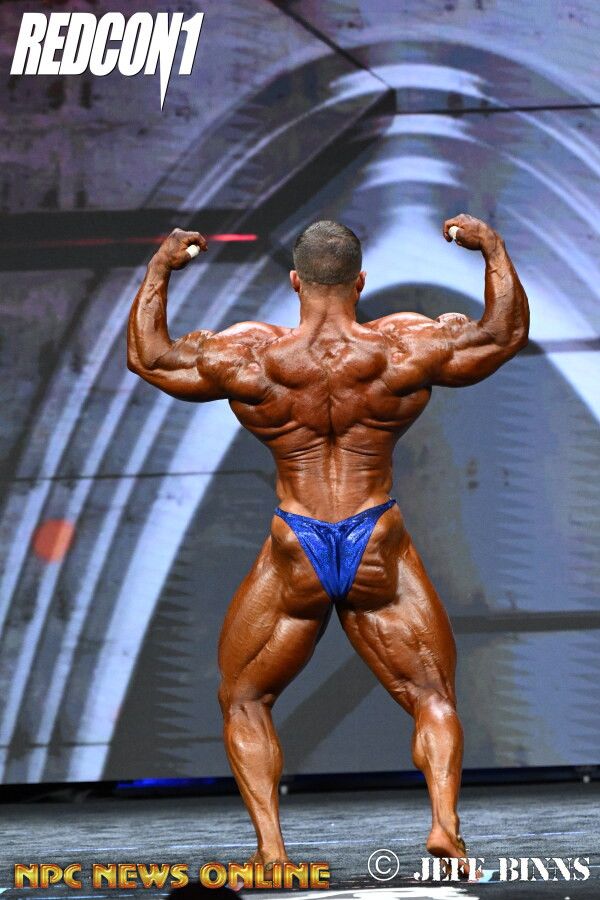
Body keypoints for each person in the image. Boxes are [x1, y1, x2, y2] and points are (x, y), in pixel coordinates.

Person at [127, 214, 529, 877]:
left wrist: (161, 268)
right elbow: (503, 334)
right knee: (432, 697)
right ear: (360, 281)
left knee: (244, 699)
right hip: (375, 536)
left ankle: (272, 852)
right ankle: (445, 829)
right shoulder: (402, 349)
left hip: (298, 544)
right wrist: (492, 249)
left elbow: (149, 357)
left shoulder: (253, 356)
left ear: (295, 281)